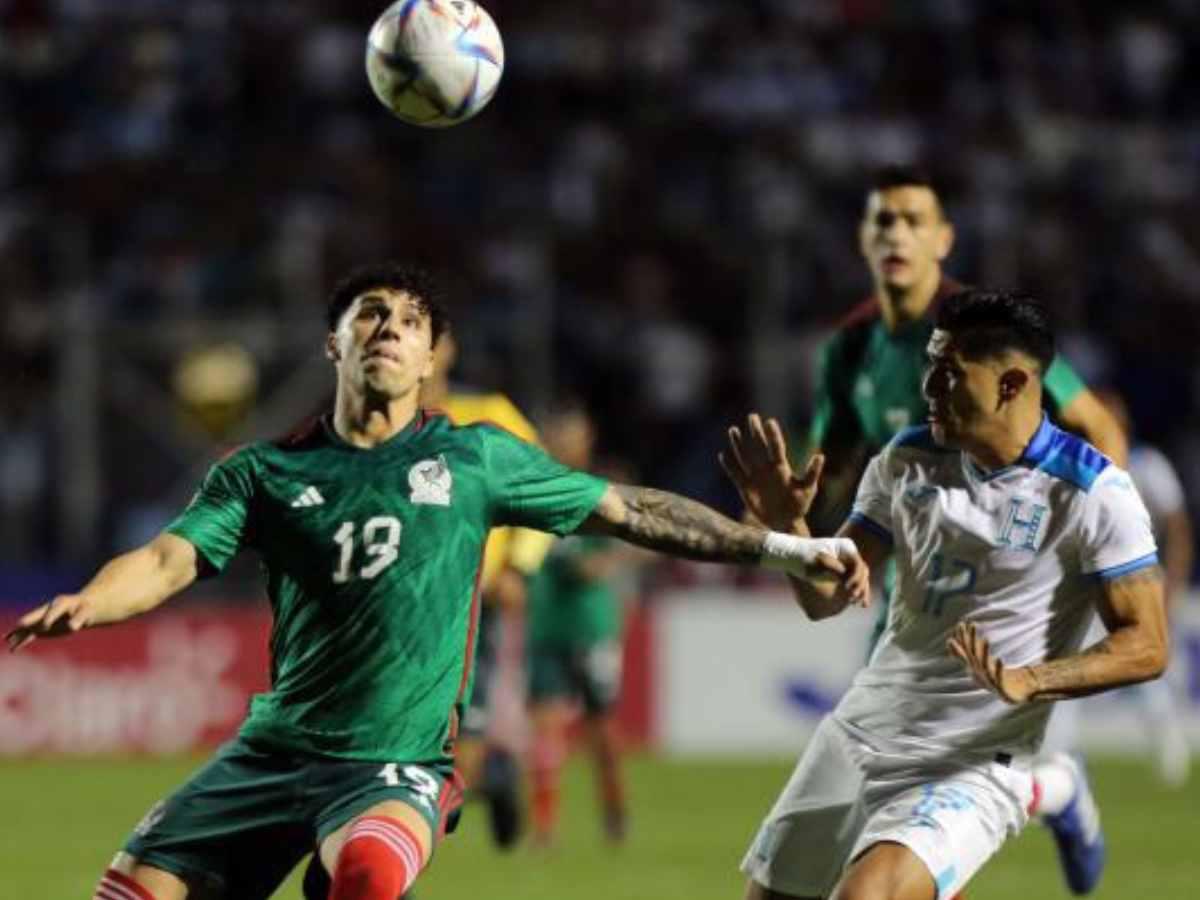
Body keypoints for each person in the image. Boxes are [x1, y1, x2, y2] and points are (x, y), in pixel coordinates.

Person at [6, 261, 866, 900]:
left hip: (393, 762)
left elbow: (630, 510)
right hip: (270, 754)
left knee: (369, 877)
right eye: (369, 314)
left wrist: (785, 548)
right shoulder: (262, 474)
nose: (388, 326)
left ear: (428, 362)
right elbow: (166, 560)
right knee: (129, 890)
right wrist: (91, 602)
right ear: (332, 345)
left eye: (410, 321)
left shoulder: (475, 458)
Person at [722, 290, 1168, 900]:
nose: (927, 385)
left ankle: (1049, 785)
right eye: (929, 365)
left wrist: (1033, 680)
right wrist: (787, 530)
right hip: (859, 733)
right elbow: (824, 596)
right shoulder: (907, 459)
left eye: (948, 372)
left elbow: (1147, 645)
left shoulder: (1093, 493)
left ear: (1011, 383)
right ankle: (1056, 787)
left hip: (975, 759)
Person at [802, 165, 1129, 894]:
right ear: (862, 239)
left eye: (914, 220)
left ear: (944, 240)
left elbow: (1095, 424)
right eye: (882, 219)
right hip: (911, 590)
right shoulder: (849, 350)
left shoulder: (979, 340)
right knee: (900, 794)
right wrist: (778, 520)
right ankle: (1058, 790)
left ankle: (1054, 791)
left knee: (967, 782)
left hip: (1010, 576)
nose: (895, 232)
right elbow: (825, 471)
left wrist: (1090, 545)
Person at [417, 324, 555, 849]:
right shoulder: (374, 426)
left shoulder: (492, 416)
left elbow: (542, 488)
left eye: (423, 332)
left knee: (460, 725)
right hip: (396, 602)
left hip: (475, 598)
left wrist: (518, 566)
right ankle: (491, 778)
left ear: (447, 347)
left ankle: (461, 796)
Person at [1042, 387, 1193, 786]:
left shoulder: (1145, 464)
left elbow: (1177, 527)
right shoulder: (1069, 470)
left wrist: (1170, 583)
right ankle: (1059, 762)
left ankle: (1171, 756)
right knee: (1068, 670)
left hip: (1134, 582)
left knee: (1151, 674)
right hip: (1082, 588)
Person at [524, 402, 647, 848]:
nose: (562, 443)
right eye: (556, 434)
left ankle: (615, 814)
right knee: (545, 729)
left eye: (570, 435)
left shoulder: (602, 491)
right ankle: (544, 828)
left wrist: (606, 564)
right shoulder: (530, 488)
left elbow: (640, 540)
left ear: (586, 440)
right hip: (546, 629)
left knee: (603, 736)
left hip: (592, 629)